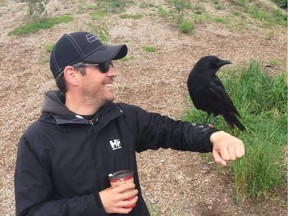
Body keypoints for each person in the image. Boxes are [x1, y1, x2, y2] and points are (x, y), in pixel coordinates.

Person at [14, 31, 245, 216]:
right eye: (103, 66)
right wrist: (97, 204)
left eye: (112, 64)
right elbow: (31, 211)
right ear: (72, 75)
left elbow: (171, 131)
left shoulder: (123, 116)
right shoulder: (37, 140)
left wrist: (213, 136)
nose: (113, 72)